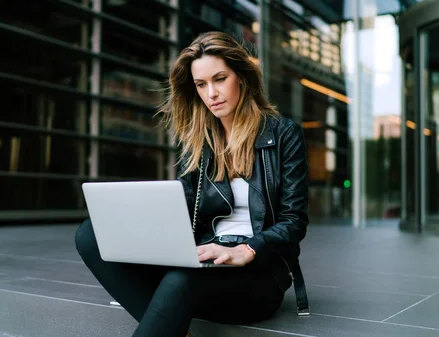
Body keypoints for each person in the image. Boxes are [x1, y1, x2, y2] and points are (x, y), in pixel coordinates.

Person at [75, 31, 310, 337]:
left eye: (220, 78)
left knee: (179, 281)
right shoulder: (203, 142)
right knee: (89, 233)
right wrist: (144, 224)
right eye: (201, 84)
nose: (211, 92)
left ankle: (165, 315)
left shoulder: (282, 134)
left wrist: (249, 249)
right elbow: (183, 207)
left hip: (258, 273)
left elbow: (294, 221)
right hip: (204, 260)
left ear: (241, 76)